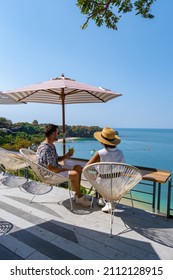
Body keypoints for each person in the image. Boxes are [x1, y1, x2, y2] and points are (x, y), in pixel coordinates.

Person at [36, 124, 91, 207]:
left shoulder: (51, 145)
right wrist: (66, 169)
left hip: (54, 169)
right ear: (53, 134)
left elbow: (56, 159)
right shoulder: (45, 149)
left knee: (78, 168)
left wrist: (66, 155)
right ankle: (79, 198)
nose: (59, 134)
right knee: (75, 174)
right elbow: (51, 169)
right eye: (58, 133)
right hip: (49, 174)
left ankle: (77, 194)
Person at [85, 127, 125, 212]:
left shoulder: (100, 153)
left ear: (102, 141)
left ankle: (100, 199)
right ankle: (109, 201)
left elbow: (86, 167)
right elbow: (123, 167)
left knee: (100, 176)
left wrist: (94, 173)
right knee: (107, 177)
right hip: (117, 184)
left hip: (102, 185)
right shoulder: (120, 152)